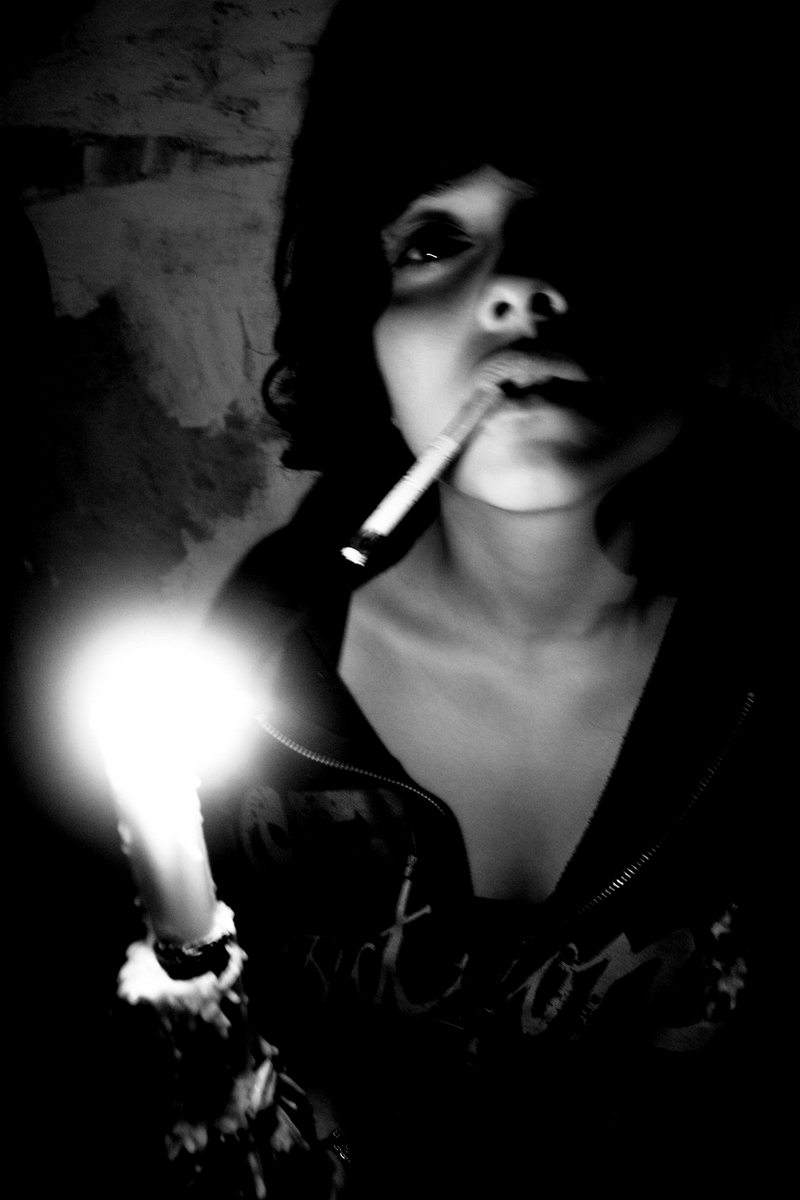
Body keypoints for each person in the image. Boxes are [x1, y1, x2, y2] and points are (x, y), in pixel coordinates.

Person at [208, 3, 797, 1195]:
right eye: (431, 241)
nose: (520, 285)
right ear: (363, 329)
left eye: (588, 224)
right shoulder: (262, 654)